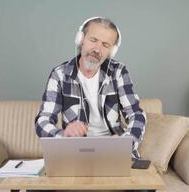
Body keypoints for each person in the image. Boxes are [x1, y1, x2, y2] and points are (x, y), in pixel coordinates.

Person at [35, 16, 146, 160]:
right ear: (81, 40)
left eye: (105, 45)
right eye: (93, 40)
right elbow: (42, 120)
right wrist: (62, 135)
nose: (97, 49)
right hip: (75, 152)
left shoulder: (118, 72)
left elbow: (137, 115)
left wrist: (124, 143)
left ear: (111, 51)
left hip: (114, 151)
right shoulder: (60, 74)